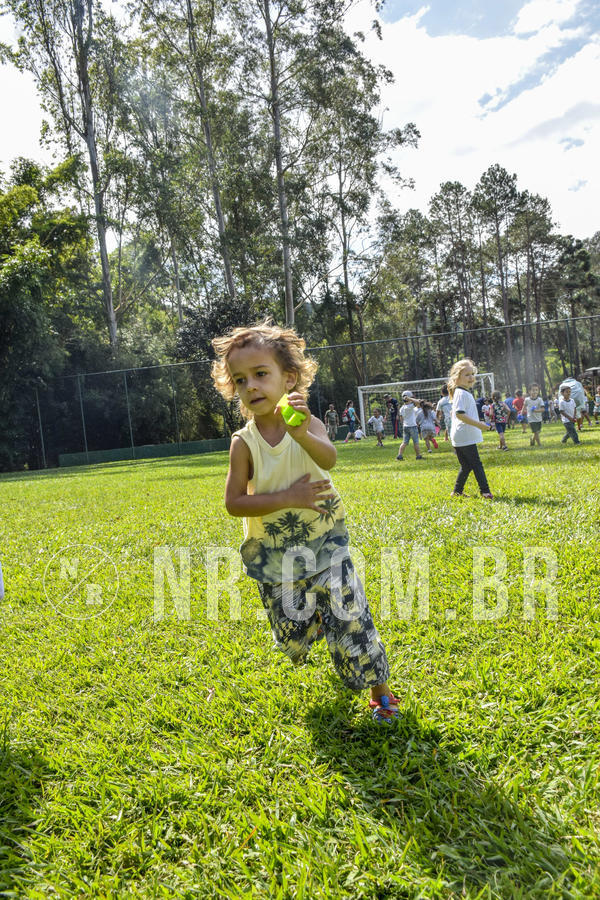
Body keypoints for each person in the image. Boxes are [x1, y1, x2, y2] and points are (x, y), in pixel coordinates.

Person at [211, 321, 399, 723]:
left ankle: (380, 693)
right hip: (276, 557)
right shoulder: (243, 443)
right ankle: (313, 623)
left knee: (352, 616)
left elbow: (329, 459)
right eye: (240, 380)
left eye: (261, 374)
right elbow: (233, 503)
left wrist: (300, 432)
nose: (251, 387)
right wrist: (288, 498)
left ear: (288, 379)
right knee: (291, 639)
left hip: (326, 543)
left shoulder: (307, 422)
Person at [448, 358, 493, 499]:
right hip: (464, 435)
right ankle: (485, 491)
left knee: (467, 466)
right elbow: (460, 414)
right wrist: (480, 425)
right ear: (457, 378)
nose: (471, 377)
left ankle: (457, 492)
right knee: (476, 464)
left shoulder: (460, 393)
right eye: (467, 375)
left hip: (459, 435)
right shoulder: (461, 393)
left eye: (472, 374)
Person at [396, 391, 423, 461]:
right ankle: (418, 455)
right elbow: (418, 402)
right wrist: (410, 398)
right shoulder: (411, 406)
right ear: (408, 398)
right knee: (416, 442)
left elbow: (401, 419)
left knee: (404, 442)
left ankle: (399, 455)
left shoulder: (401, 408)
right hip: (413, 426)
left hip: (405, 426)